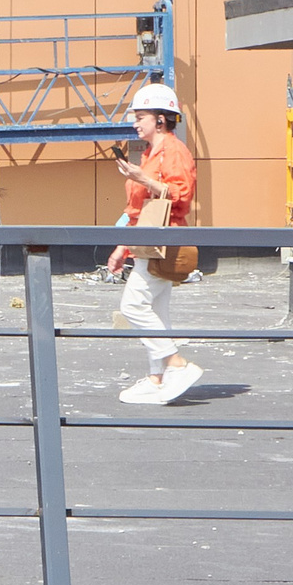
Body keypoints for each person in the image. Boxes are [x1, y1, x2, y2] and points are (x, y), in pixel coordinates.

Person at [103, 82, 202, 405]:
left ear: (161, 119)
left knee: (133, 305)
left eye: (141, 116)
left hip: (164, 240)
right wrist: (122, 247)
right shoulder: (151, 154)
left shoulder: (173, 151)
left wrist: (142, 178)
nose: (135, 122)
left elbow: (181, 196)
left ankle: (176, 364)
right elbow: (137, 210)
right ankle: (157, 377)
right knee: (157, 310)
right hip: (152, 241)